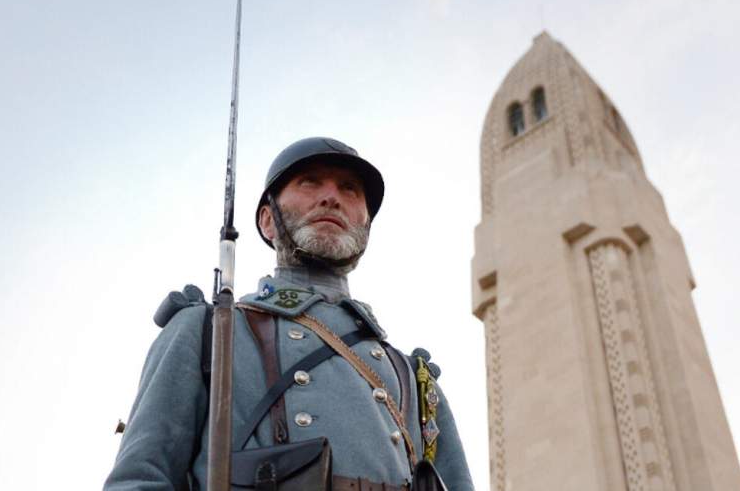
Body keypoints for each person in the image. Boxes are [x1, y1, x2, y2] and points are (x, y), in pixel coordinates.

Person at [105, 137, 474, 491]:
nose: (331, 197)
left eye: (349, 189)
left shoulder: (411, 375)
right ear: (267, 219)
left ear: (365, 228)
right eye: (310, 182)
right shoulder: (209, 331)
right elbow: (139, 479)